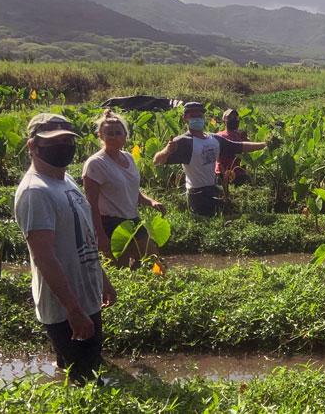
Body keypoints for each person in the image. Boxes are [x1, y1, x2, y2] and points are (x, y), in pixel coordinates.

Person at [14, 113, 116, 384]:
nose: (63, 147)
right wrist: (73, 310)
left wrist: (102, 278)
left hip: (86, 295)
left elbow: (83, 237)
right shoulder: (36, 191)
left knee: (84, 370)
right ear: (32, 146)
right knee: (86, 381)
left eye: (67, 141)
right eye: (53, 142)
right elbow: (44, 256)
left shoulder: (65, 180)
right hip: (65, 308)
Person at [82, 109, 166, 269]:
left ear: (126, 135)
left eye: (118, 133)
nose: (114, 137)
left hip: (132, 220)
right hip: (110, 224)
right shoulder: (95, 164)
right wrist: (100, 235)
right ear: (101, 136)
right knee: (119, 270)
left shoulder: (128, 157)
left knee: (155, 265)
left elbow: (134, 191)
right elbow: (90, 203)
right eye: (110, 133)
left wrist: (151, 202)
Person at [153, 102, 267, 216]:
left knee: (234, 213)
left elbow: (239, 146)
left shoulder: (214, 139)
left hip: (213, 188)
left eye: (200, 116)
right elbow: (157, 161)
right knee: (225, 218)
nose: (198, 119)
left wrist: (265, 145)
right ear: (185, 119)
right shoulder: (184, 142)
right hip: (197, 194)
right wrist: (167, 151)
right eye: (193, 116)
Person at [215, 108, 251, 187]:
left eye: (235, 118)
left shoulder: (242, 136)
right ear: (224, 121)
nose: (233, 120)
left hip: (240, 174)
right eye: (229, 118)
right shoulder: (219, 136)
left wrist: (245, 139)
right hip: (222, 174)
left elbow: (249, 153)